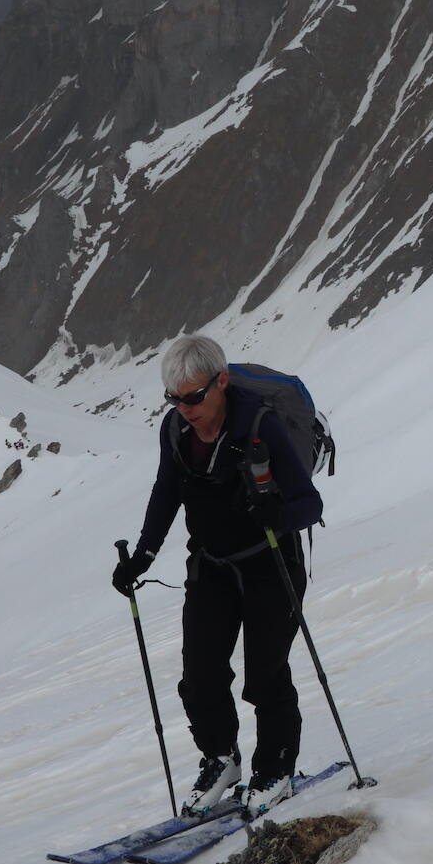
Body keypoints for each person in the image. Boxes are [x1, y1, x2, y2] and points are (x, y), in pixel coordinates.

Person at [111, 335, 323, 817]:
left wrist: (280, 515)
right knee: (200, 676)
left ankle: (276, 768)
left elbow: (310, 504)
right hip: (212, 566)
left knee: (265, 675)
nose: (184, 409)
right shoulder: (175, 431)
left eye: (193, 397)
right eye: (174, 399)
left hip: (270, 563)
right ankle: (220, 759)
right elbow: (166, 491)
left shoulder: (261, 426)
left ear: (221, 382)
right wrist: (142, 556)